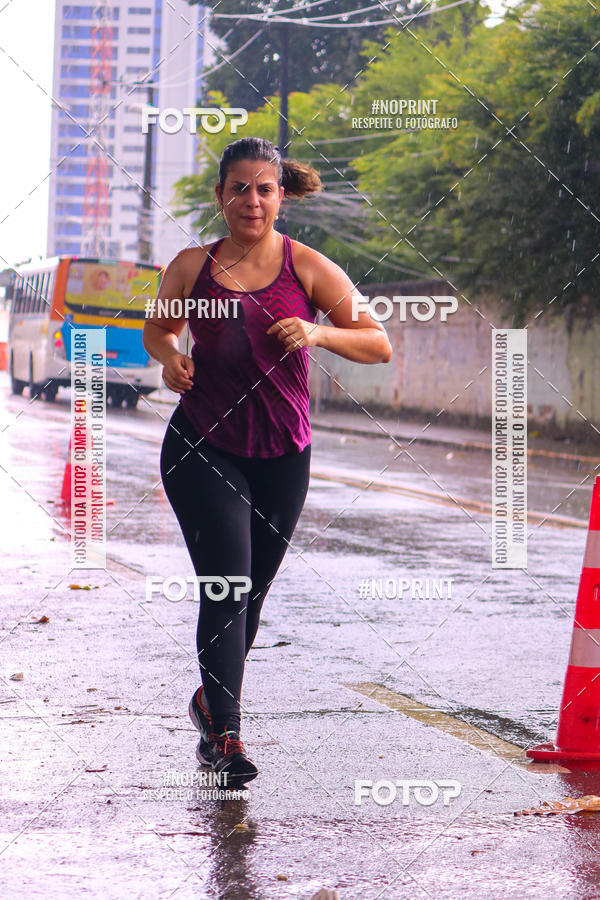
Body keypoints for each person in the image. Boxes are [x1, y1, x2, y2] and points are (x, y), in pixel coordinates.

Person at [142, 136, 392, 788]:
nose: (251, 200)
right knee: (226, 584)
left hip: (284, 453)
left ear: (281, 196)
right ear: (221, 196)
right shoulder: (192, 266)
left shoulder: (307, 267)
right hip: (202, 445)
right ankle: (226, 735)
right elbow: (159, 327)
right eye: (239, 188)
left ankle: (208, 703)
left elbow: (377, 342)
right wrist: (170, 357)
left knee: (248, 597)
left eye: (264, 188)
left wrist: (316, 330)